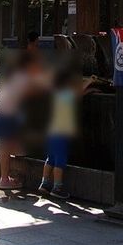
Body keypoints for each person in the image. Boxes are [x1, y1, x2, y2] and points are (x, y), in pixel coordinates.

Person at [0, 44, 48, 190]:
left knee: (6, 143)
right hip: (5, 112)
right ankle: (5, 178)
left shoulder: (16, 75)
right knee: (5, 145)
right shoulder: (25, 78)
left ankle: (6, 175)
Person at [39, 66, 93, 199]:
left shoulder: (56, 93)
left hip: (51, 130)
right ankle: (57, 187)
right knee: (60, 159)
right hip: (61, 132)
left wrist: (87, 90)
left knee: (50, 158)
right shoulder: (67, 93)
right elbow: (77, 93)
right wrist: (90, 81)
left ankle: (44, 183)